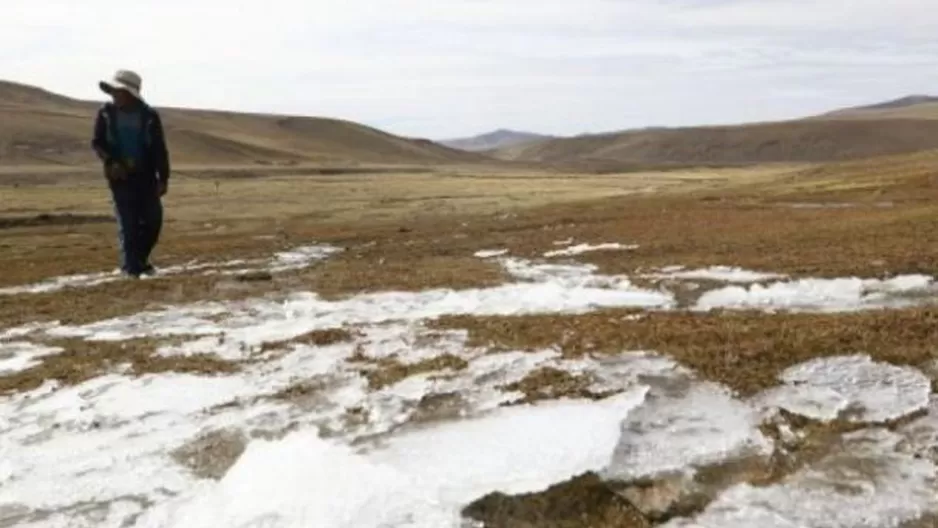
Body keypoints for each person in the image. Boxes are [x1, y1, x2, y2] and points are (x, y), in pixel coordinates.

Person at [91, 70, 170, 278]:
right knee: (128, 223)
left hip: (145, 176)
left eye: (119, 91)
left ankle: (139, 260)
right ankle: (131, 268)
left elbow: (159, 149)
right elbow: (97, 143)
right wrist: (110, 161)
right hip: (120, 177)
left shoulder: (149, 116)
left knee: (154, 221)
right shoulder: (106, 113)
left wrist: (163, 178)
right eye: (114, 91)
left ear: (130, 93)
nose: (115, 95)